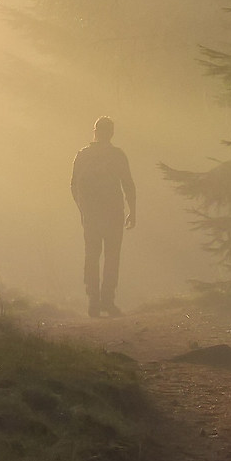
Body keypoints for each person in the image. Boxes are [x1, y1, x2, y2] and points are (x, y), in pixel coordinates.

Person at [71, 116, 136, 318]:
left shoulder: (83, 155)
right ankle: (106, 301)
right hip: (112, 213)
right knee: (111, 256)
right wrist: (133, 210)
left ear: (95, 131)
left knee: (93, 256)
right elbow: (128, 184)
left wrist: (82, 209)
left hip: (93, 214)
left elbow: (73, 186)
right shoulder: (117, 155)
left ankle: (94, 302)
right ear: (111, 133)